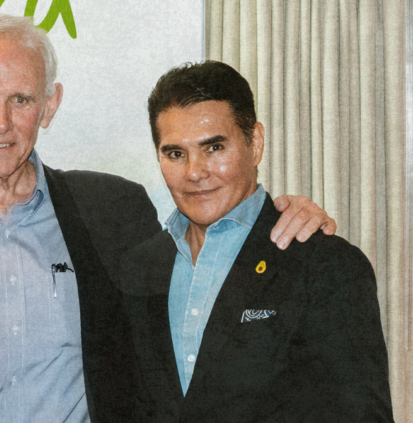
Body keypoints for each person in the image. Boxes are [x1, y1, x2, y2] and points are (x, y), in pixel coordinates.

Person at [0, 15, 336, 423]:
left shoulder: (113, 208)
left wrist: (271, 218)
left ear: (49, 105)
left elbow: (200, 269)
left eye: (21, 100)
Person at [117, 61, 392, 422]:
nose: (194, 172)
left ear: (256, 143)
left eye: (214, 147)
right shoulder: (140, 267)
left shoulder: (325, 265)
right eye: (175, 153)